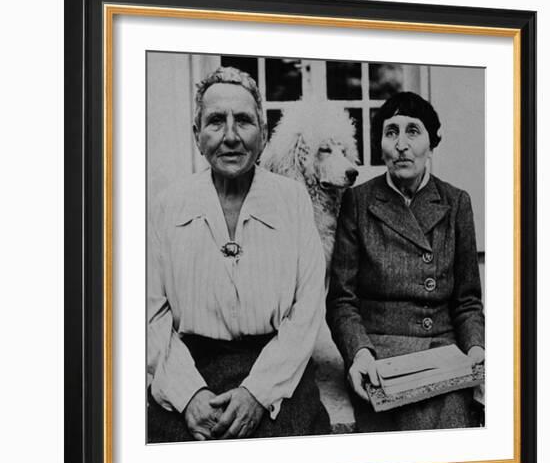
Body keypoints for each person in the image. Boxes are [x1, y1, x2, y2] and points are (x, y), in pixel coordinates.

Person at [147, 67, 330, 441]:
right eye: (216, 121)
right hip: (192, 369)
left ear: (262, 135)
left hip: (277, 371)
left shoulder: (291, 200)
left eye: (243, 121)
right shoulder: (168, 205)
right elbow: (151, 314)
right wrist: (189, 395)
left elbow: (307, 309)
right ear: (197, 136)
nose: (230, 136)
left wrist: (257, 393)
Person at [327, 91, 485, 431]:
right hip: (378, 356)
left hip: (442, 353)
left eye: (412, 131)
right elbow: (341, 300)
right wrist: (360, 353)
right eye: (391, 132)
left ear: (432, 143)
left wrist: (474, 349)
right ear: (380, 144)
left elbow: (467, 300)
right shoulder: (358, 202)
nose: (401, 144)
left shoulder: (456, 203)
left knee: (451, 433)